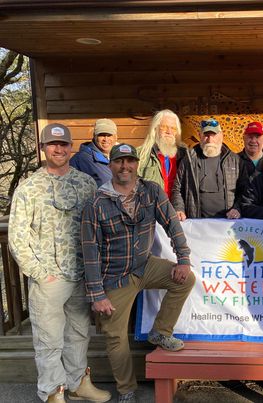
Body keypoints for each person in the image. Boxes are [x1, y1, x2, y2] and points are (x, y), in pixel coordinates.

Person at [81, 143, 195, 403]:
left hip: (145, 265)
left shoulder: (151, 190)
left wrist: (183, 259)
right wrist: (97, 294)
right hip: (115, 277)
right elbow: (89, 253)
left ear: (136, 164)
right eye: (119, 161)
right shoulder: (96, 203)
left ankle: (161, 331)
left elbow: (172, 225)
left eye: (130, 161)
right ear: (110, 165)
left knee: (185, 278)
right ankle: (126, 390)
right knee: (115, 334)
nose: (125, 166)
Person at [8, 123, 110, 403]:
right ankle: (53, 391)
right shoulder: (29, 188)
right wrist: (41, 274)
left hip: (81, 275)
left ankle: (77, 383)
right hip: (48, 279)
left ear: (70, 147)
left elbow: (98, 227)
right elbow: (17, 237)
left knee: (78, 334)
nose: (58, 149)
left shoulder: (86, 183)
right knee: (49, 340)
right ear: (43, 148)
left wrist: (95, 270)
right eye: (52, 144)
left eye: (63, 144)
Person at [171, 118, 248, 220]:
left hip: (228, 223)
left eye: (214, 135)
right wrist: (179, 208)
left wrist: (237, 208)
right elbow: (177, 189)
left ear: (221, 136)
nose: (210, 140)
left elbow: (244, 190)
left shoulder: (235, 160)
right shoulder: (189, 159)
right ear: (200, 136)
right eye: (206, 135)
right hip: (197, 223)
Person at [137, 109, 185, 199]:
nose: (169, 132)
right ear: (155, 129)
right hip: (153, 210)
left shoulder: (185, 155)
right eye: (164, 127)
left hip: (178, 210)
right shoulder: (140, 155)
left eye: (173, 128)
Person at [70, 118, 117, 187]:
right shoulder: (81, 159)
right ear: (94, 136)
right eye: (102, 135)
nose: (106, 139)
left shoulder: (121, 158)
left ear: (116, 137)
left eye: (109, 135)